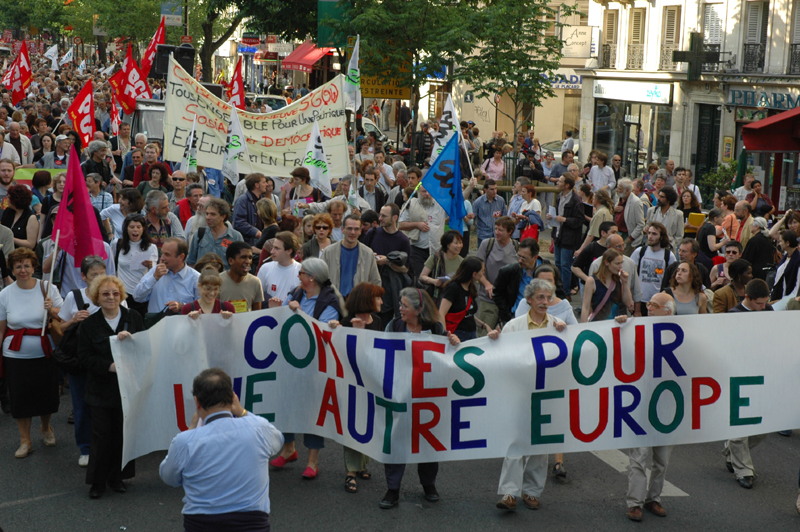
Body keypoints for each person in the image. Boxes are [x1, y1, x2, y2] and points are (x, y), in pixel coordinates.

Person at [159, 367, 281, 530]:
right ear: (233, 398)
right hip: (252, 525)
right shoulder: (259, 428)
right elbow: (278, 441)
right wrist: (243, 412)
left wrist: (190, 430)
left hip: (202, 525)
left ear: (197, 402)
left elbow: (169, 477)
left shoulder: (185, 441)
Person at [380, 287, 459, 509]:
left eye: (405, 305)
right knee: (396, 440)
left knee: (427, 441)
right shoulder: (394, 325)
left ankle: (429, 485)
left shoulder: (435, 329)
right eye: (401, 304)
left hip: (427, 396)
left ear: (419, 309)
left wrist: (453, 341)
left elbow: (447, 358)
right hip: (400, 393)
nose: (400, 309)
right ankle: (392, 489)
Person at [494, 278, 566, 512]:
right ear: (529, 300)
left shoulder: (558, 326)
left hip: (546, 393)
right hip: (519, 392)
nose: (545, 302)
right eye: (540, 298)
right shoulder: (513, 326)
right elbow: (501, 357)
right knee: (515, 442)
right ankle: (509, 493)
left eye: (548, 297)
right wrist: (495, 341)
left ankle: (532, 492)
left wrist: (566, 333)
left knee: (539, 444)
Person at [270, 259, 345, 479]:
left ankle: (313, 460)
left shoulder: (330, 302)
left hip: (315, 365)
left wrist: (300, 312)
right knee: (286, 404)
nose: (298, 276)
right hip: (289, 359)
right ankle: (289, 449)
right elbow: (281, 319)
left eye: (301, 273)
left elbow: (319, 334)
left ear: (312, 277)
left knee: (313, 410)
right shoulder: (296, 293)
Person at [76, 274, 143, 499]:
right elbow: (84, 357)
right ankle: (97, 482)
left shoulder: (133, 317)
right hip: (100, 390)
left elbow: (145, 348)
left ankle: (117, 478)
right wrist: (109, 367)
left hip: (128, 388)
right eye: (105, 294)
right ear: (97, 297)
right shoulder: (88, 325)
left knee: (123, 435)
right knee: (101, 435)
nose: (111, 297)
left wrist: (132, 340)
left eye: (115, 293)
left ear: (121, 295)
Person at [0, 248, 63, 458]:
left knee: (47, 394)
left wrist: (52, 310)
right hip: (15, 355)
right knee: (20, 397)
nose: (23, 270)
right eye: (18, 266)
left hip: (45, 352)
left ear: (34, 267)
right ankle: (25, 440)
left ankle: (46, 427)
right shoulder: (5, 294)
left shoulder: (48, 288)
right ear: (13, 269)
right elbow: (1, 329)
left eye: (27, 265)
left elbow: (64, 321)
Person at [620, 291, 677, 521]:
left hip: (667, 405)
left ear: (668, 312)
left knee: (662, 458)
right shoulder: (636, 328)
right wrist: (620, 327)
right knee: (639, 455)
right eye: (649, 304)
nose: (649, 307)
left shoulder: (680, 335)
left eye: (655, 305)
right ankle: (634, 502)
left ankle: (654, 498)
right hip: (641, 402)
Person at [326, 283, 385, 493]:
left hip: (371, 382)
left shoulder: (377, 321)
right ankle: (351, 472)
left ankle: (361, 465)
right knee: (352, 424)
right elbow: (345, 354)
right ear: (367, 300)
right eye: (378, 298)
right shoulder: (345, 323)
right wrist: (345, 331)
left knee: (367, 422)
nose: (381, 302)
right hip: (351, 383)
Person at [725, 278, 772, 489]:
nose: (763, 308)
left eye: (765, 303)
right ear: (747, 298)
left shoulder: (768, 312)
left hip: (761, 375)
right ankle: (744, 470)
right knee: (739, 428)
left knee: (763, 426)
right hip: (738, 377)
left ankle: (730, 450)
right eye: (759, 304)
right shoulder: (734, 317)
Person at [134, 238, 201, 313]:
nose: (162, 258)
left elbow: (202, 307)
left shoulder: (196, 278)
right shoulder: (155, 271)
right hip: (157, 323)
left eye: (167, 255)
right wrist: (154, 278)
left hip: (182, 323)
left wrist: (182, 306)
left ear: (181, 257)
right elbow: (137, 297)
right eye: (162, 253)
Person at [320, 214, 381, 298]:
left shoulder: (368, 253)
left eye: (356, 229)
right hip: (334, 302)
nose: (352, 232)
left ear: (360, 231)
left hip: (358, 303)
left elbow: (375, 281)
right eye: (349, 228)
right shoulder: (329, 252)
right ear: (342, 229)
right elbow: (319, 278)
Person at [475, 217, 518, 334]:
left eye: (501, 230)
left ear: (510, 232)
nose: (497, 232)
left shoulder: (516, 246)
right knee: (484, 335)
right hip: (489, 299)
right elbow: (477, 270)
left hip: (509, 302)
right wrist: (487, 284)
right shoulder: (487, 244)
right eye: (496, 229)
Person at [111, 214, 157, 316]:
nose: (135, 230)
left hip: (142, 294)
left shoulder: (151, 248)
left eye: (138, 227)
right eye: (132, 227)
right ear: (126, 229)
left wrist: (151, 265)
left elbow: (153, 274)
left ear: (143, 229)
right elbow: (112, 267)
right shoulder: (117, 244)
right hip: (123, 294)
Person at [398, 185, 446, 280]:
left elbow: (458, 202)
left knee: (436, 278)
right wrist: (416, 224)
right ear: (419, 192)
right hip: (417, 250)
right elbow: (400, 225)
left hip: (436, 250)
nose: (427, 194)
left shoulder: (441, 204)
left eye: (429, 192)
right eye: (424, 191)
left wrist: (470, 188)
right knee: (420, 279)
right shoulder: (411, 204)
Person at [630, 223, 677, 316]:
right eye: (649, 233)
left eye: (654, 234)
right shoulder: (640, 251)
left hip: (658, 302)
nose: (650, 236)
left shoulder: (668, 255)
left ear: (661, 237)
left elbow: (673, 278)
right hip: (640, 300)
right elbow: (632, 275)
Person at [548, 174, 584, 293]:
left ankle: (565, 291)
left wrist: (565, 220)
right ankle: (558, 288)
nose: (557, 182)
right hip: (558, 235)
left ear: (567, 185)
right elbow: (558, 214)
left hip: (569, 238)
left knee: (565, 265)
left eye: (560, 181)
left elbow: (579, 221)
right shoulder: (559, 196)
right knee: (557, 263)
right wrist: (552, 217)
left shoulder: (576, 200)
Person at [187, 198, 243, 269]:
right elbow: (191, 262)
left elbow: (241, 264)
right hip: (202, 278)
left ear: (223, 217)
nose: (208, 217)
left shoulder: (235, 237)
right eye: (207, 214)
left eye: (212, 214)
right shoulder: (200, 233)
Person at [438, 257, 485, 341]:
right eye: (482, 271)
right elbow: (441, 313)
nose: (483, 273)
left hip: (472, 334)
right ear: (474, 274)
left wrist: (484, 325)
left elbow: (468, 314)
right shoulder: (453, 288)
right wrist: (445, 336)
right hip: (457, 335)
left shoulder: (471, 287)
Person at [581, 249, 632, 322]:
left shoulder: (618, 280)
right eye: (617, 263)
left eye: (621, 263)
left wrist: (625, 282)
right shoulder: (592, 281)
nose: (620, 266)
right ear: (606, 262)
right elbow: (585, 307)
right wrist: (583, 327)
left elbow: (628, 302)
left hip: (616, 325)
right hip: (598, 325)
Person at [418, 230, 464, 306]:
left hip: (455, 299)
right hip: (438, 298)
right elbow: (422, 276)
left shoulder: (462, 261)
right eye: (456, 243)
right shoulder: (436, 258)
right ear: (447, 245)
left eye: (461, 243)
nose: (459, 246)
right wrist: (434, 281)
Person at [259, 231, 302, 306]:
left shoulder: (301, 270)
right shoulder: (265, 268)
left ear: (289, 251)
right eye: (272, 248)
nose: (272, 251)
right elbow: (258, 296)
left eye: (277, 248)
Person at [219, 241, 263, 313]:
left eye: (250, 258)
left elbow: (257, 315)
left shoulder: (255, 282)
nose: (248, 261)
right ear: (230, 261)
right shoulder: (217, 282)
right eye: (243, 257)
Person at [576, 189, 614, 256]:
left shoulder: (600, 213)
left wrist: (580, 250)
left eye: (593, 198)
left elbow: (591, 235)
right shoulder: (607, 210)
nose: (592, 200)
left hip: (597, 244)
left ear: (597, 199)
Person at [233, 173, 267, 247]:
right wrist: (255, 232)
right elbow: (239, 222)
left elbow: (269, 216)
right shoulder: (242, 201)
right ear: (257, 185)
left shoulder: (263, 200)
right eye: (264, 182)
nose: (266, 184)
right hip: (246, 243)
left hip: (260, 242)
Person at [1, 184, 39, 249]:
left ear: (15, 200)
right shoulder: (8, 211)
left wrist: (9, 238)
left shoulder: (31, 218)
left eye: (9, 197)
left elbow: (31, 244)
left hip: (21, 254)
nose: (7, 199)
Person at [472, 179, 507, 248]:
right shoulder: (478, 202)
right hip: (483, 235)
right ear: (485, 190)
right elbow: (473, 217)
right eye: (492, 189)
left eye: (496, 188)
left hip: (498, 235)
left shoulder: (500, 200)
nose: (495, 191)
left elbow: (504, 217)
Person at [615, 178, 645, 255]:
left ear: (627, 190)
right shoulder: (619, 198)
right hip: (618, 235)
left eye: (619, 188)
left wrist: (630, 238)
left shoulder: (636, 202)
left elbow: (641, 224)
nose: (617, 190)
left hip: (628, 237)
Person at [770, 230, 800, 300]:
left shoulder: (798, 260)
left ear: (787, 243)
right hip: (778, 295)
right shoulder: (785, 257)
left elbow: (797, 286)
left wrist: (788, 301)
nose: (779, 244)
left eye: (780, 241)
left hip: (789, 299)